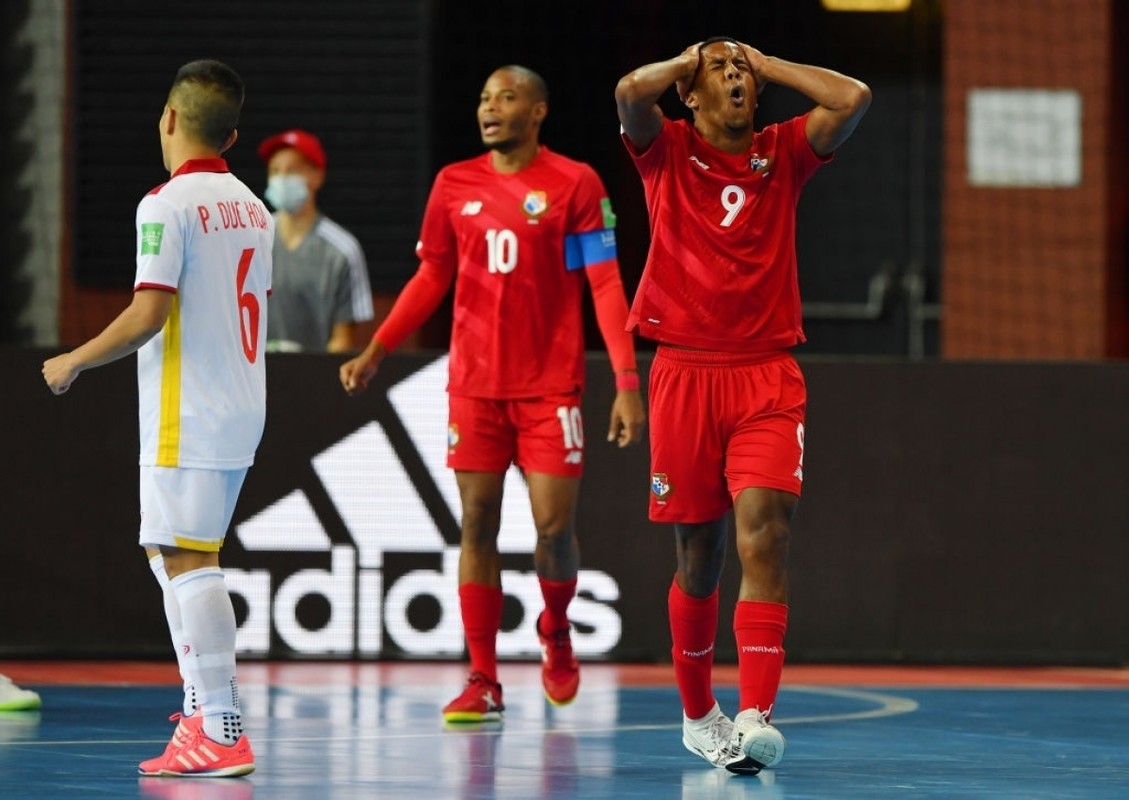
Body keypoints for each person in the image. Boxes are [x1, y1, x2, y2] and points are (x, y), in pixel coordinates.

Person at [340, 64, 646, 723]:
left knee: (552, 530)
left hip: (549, 391)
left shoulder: (574, 184)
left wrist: (625, 382)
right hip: (474, 389)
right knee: (474, 524)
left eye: (506, 97)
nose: (489, 107)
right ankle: (482, 678)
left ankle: (556, 630)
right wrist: (376, 350)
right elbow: (432, 276)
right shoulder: (455, 184)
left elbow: (602, 284)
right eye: (483, 98)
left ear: (537, 112)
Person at [615, 37, 871, 774]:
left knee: (766, 534)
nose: (732, 80)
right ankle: (699, 715)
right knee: (699, 554)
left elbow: (851, 97)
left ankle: (756, 712)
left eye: (740, 76)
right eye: (717, 75)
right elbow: (631, 91)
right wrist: (691, 58)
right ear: (689, 96)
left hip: (764, 375)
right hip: (684, 373)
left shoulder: (783, 152)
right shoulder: (662, 149)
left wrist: (761, 62)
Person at [42, 58, 272, 777]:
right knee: (170, 554)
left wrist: (73, 358)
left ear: (168, 118)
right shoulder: (254, 207)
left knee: (189, 561)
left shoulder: (165, 205)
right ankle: (204, 715)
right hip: (241, 406)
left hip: (190, 410)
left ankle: (223, 725)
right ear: (229, 135)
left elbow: (148, 314)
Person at [258, 128, 374, 352]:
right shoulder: (253, 239)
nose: (281, 178)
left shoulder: (342, 251)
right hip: (253, 378)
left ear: (317, 176)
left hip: (315, 378)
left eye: (291, 170)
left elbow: (343, 339)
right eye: (274, 170)